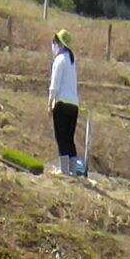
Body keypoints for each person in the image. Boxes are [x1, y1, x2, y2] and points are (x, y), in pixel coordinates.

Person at [48, 31, 81, 176]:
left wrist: (49, 103)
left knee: (61, 137)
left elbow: (54, 85)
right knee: (69, 138)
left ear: (60, 44)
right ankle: (72, 171)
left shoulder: (59, 59)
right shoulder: (71, 60)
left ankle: (63, 170)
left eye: (54, 43)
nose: (53, 46)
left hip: (61, 103)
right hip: (74, 104)